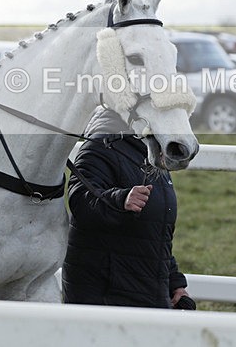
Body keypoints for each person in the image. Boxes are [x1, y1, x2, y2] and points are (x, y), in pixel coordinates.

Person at [62, 107, 194, 309]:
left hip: (143, 290)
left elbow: (155, 232)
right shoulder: (99, 147)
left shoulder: (150, 154)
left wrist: (175, 284)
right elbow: (80, 201)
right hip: (105, 294)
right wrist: (121, 200)